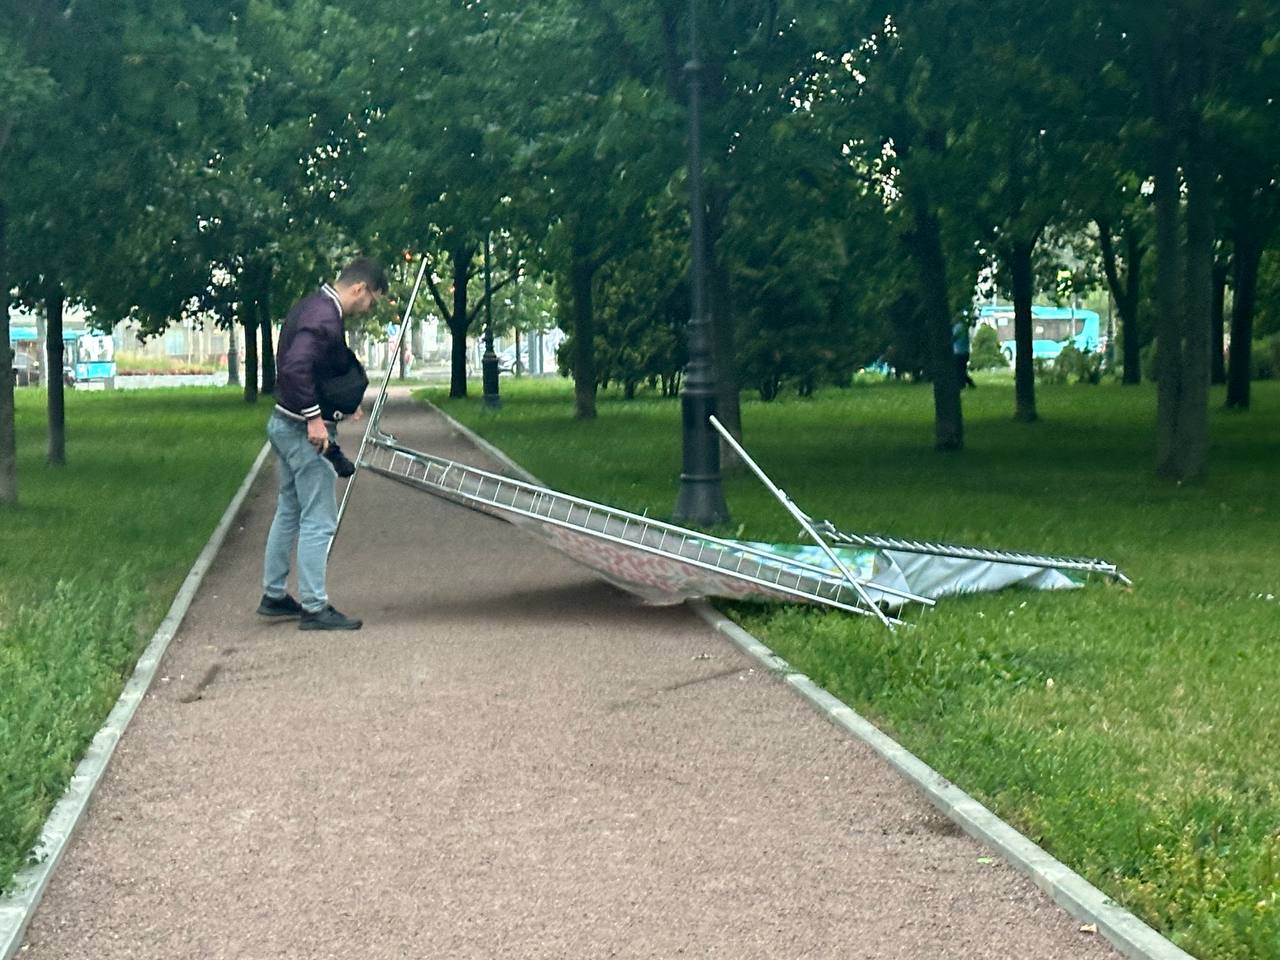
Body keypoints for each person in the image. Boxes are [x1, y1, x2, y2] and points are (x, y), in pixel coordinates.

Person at [256, 258, 387, 630]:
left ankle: (275, 593)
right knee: (319, 518)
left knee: (291, 508)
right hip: (303, 429)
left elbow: (313, 367)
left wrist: (339, 404)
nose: (368, 309)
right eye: (371, 301)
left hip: (283, 422)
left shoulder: (312, 305)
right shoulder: (325, 317)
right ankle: (315, 607)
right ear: (360, 288)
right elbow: (296, 366)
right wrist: (316, 417)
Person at [953, 317, 977, 389]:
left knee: (959, 370)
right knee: (961, 369)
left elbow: (954, 337)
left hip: (959, 352)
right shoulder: (963, 327)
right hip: (965, 351)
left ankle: (964, 384)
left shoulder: (959, 327)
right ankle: (964, 384)